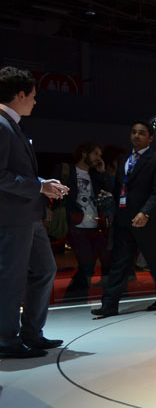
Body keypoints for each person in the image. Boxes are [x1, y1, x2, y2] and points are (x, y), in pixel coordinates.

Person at [0, 66, 67, 358]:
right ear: (20, 94)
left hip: (28, 216)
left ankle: (31, 333)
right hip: (12, 218)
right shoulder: (1, 126)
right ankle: (6, 340)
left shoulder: (10, 125)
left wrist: (42, 184)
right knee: (11, 279)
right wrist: (37, 187)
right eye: (33, 96)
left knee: (45, 269)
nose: (35, 102)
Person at [91, 121, 156, 318]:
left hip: (146, 220)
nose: (136, 136)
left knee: (155, 262)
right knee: (120, 262)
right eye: (134, 132)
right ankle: (109, 304)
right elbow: (120, 189)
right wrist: (103, 176)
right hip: (124, 219)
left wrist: (146, 213)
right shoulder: (123, 160)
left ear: (150, 138)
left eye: (141, 133)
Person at [54, 142, 112, 299]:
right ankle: (73, 297)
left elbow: (108, 193)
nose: (98, 158)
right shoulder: (67, 171)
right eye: (96, 154)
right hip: (76, 223)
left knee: (90, 265)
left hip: (95, 224)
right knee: (87, 265)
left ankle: (76, 297)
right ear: (84, 153)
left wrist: (102, 173)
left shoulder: (95, 175)